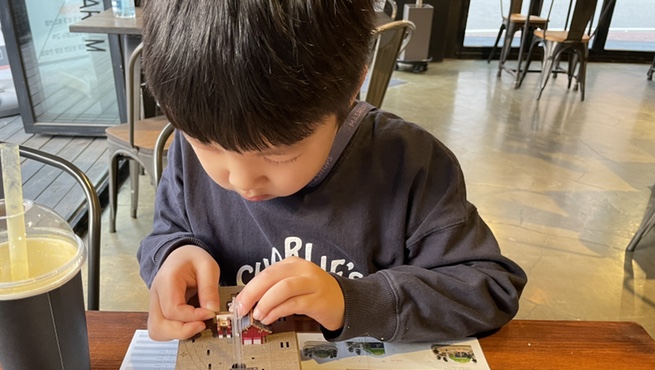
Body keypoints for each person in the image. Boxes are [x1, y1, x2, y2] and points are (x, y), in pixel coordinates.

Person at [137, 0, 527, 343]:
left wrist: (353, 301)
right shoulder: (188, 153)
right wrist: (173, 255)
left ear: (354, 84)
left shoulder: (411, 165)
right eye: (206, 145)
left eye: (277, 154)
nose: (239, 180)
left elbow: (490, 290)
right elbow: (166, 233)